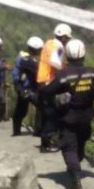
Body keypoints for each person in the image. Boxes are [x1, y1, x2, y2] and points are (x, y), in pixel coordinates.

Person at [45, 38, 94, 189]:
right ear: (83, 56)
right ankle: (75, 166)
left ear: (67, 56)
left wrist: (44, 94)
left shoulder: (63, 75)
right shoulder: (92, 74)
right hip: (86, 119)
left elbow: (48, 91)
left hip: (68, 119)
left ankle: (75, 176)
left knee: (69, 147)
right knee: (79, 145)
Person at [37, 23, 72, 152]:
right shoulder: (59, 46)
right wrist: (65, 69)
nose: (67, 41)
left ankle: (46, 141)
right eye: (67, 38)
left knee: (47, 114)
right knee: (52, 114)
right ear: (63, 37)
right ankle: (48, 143)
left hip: (42, 81)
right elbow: (55, 63)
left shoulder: (48, 43)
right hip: (49, 82)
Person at [11, 36, 43, 136]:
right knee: (42, 106)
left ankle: (16, 131)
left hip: (23, 87)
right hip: (27, 89)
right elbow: (38, 71)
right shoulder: (27, 60)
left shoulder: (22, 57)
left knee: (21, 110)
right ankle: (38, 131)